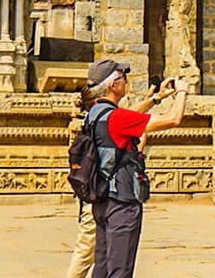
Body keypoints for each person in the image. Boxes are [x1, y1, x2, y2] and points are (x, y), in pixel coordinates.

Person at [64, 66, 184, 278]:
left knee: (102, 266)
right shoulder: (117, 119)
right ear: (113, 85)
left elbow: (128, 115)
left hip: (102, 201)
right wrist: (183, 92)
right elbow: (173, 120)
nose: (126, 81)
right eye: (123, 78)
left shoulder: (95, 113)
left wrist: (156, 98)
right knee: (120, 270)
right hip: (121, 203)